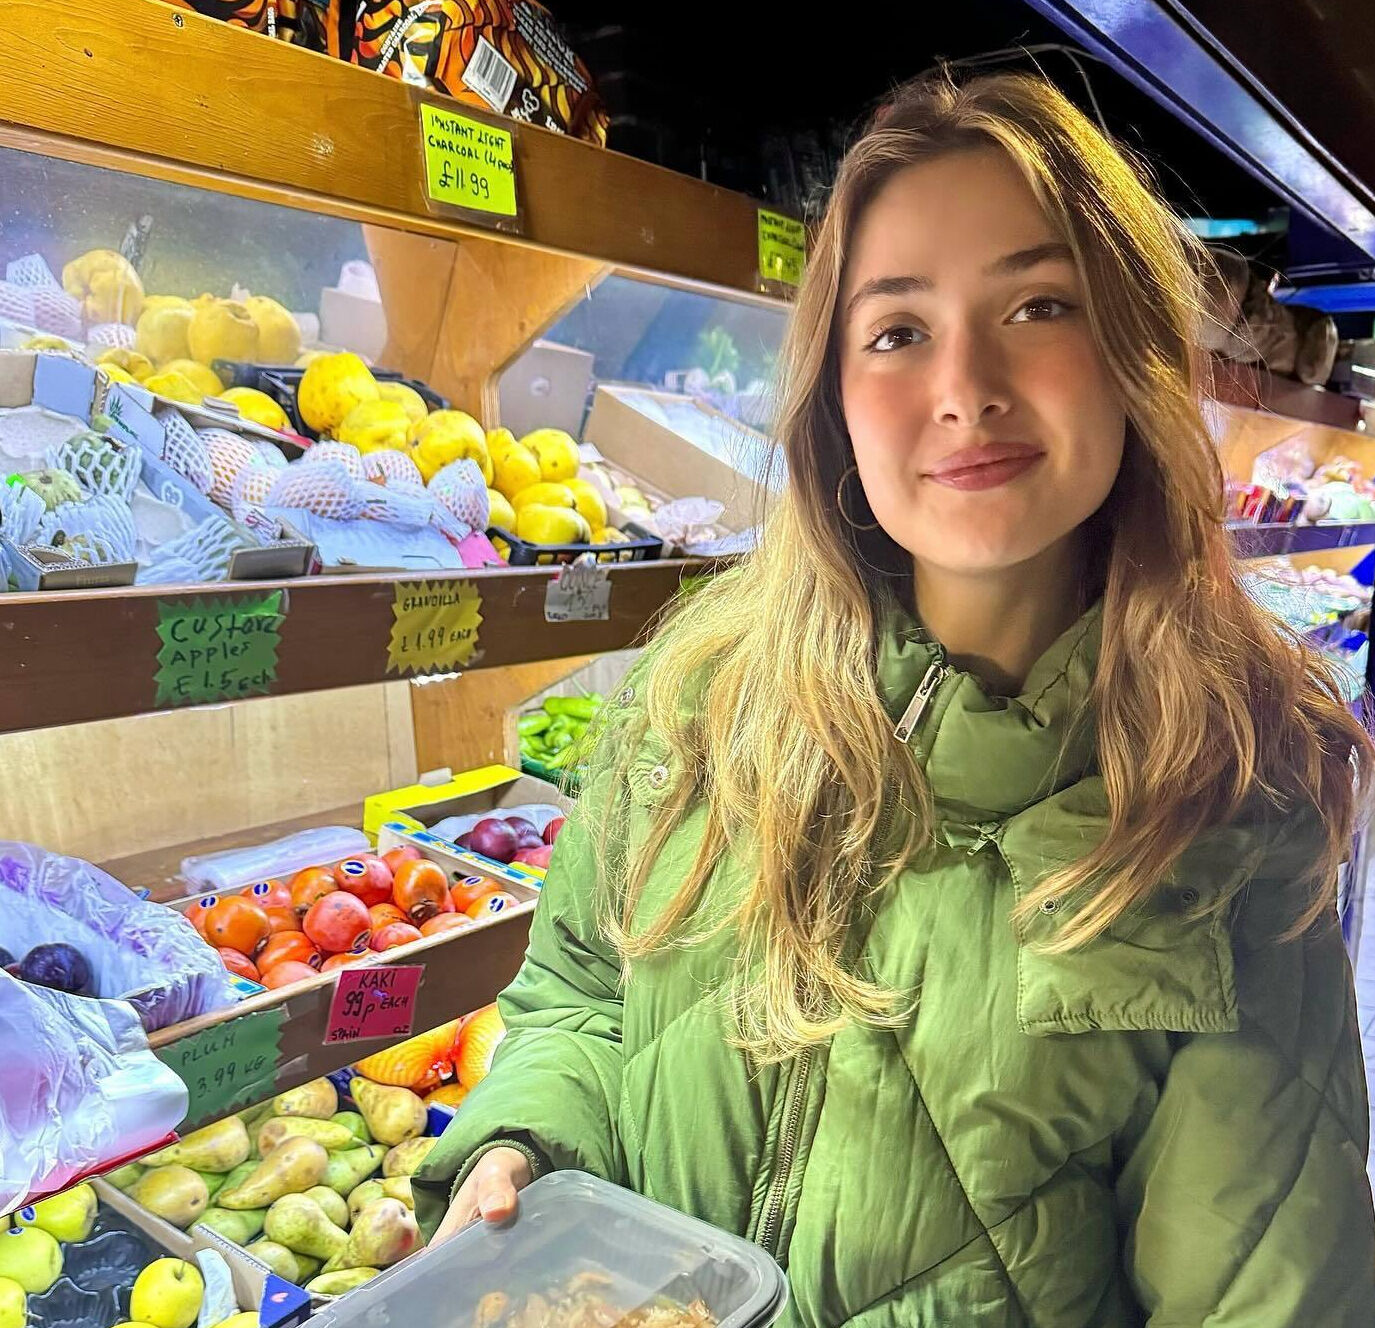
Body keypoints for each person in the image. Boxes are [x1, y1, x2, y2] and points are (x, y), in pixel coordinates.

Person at [413, 72, 1375, 1325]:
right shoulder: (699, 690)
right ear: (833, 388)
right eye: (897, 329)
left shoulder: (1229, 800)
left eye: (1037, 305)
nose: (964, 387)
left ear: (1131, 354)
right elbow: (585, 989)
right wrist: (523, 1143)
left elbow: (1261, 1293)